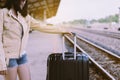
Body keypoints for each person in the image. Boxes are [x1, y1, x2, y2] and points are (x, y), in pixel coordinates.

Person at [0, 0, 71, 80]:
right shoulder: (2, 13)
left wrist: (61, 30)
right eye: (22, 0)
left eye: (25, 1)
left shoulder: (25, 16)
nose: (23, 3)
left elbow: (41, 26)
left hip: (22, 55)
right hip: (9, 58)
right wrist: (1, 63)